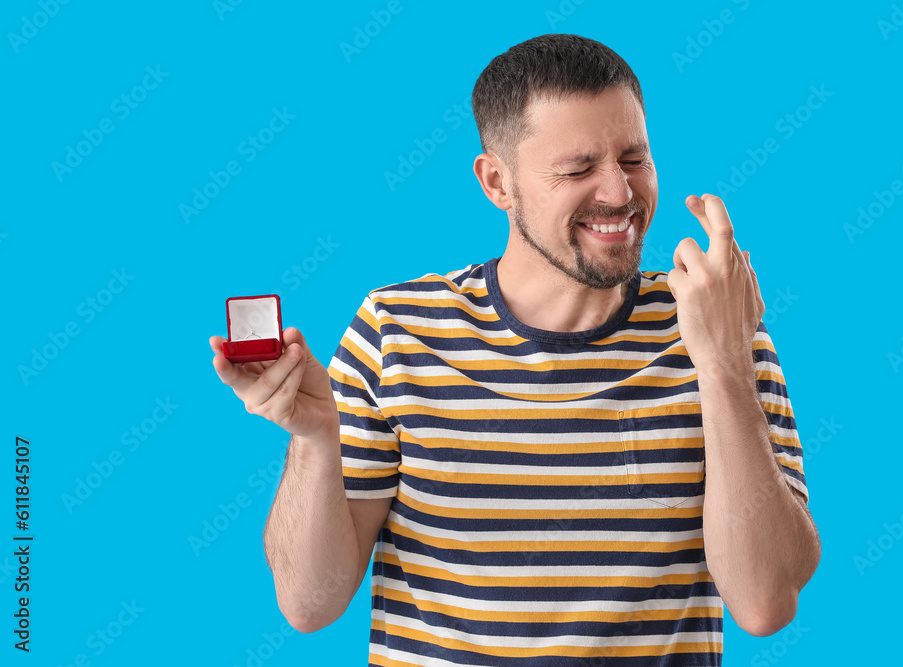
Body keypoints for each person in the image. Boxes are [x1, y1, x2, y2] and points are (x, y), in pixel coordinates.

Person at [209, 33, 820, 666]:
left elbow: (764, 602)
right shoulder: (396, 329)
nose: (619, 193)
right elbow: (310, 605)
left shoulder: (717, 324)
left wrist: (721, 364)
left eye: (634, 158)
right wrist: (316, 438)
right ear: (497, 181)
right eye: (578, 169)